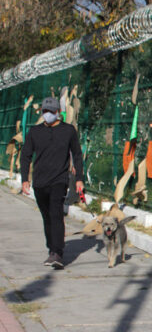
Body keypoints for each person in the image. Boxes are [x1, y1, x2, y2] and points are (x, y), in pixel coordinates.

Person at [20, 97, 84, 268]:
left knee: (56, 214)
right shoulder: (34, 132)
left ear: (58, 113)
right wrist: (24, 179)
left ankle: (57, 252)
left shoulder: (68, 131)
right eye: (44, 112)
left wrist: (79, 180)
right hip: (40, 182)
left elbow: (77, 155)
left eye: (50, 112)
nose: (47, 115)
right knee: (47, 217)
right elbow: (25, 155)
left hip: (59, 180)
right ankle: (52, 249)